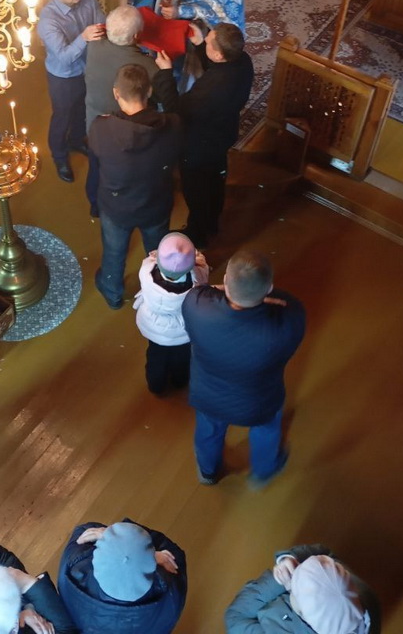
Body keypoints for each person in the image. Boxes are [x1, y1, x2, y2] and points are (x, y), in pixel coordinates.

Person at [182, 250, 306, 486]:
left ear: (225, 281)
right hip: (259, 402)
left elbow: (203, 290)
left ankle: (208, 471)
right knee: (266, 430)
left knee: (208, 432)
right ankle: (264, 470)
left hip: (207, 396)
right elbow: (290, 305)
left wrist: (230, 289)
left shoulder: (196, 306)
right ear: (269, 288)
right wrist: (263, 298)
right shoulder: (288, 325)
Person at [88, 64, 180, 308]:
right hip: (156, 203)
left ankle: (112, 292)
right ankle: (160, 290)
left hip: (116, 206)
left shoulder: (100, 128)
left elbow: (95, 168)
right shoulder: (172, 125)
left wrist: (94, 202)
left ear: (116, 93)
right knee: (157, 251)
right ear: (149, 91)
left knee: (114, 252)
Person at [153, 21, 253, 247]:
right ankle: (212, 223)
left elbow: (175, 110)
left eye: (208, 42)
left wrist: (166, 73)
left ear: (218, 54)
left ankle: (197, 234)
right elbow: (217, 66)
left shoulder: (210, 89)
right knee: (216, 182)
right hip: (223, 135)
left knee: (196, 191)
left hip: (198, 147)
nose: (205, 39)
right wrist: (200, 45)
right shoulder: (243, 61)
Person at [84, 5, 157, 214]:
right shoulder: (147, 67)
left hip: (93, 123)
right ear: (136, 36)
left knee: (95, 166)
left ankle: (95, 205)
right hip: (125, 132)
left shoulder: (94, 46)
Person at [37, 0, 105, 182]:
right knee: (62, 117)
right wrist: (84, 37)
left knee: (82, 110)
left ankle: (76, 141)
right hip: (63, 78)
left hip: (88, 68)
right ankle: (59, 156)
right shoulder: (48, 21)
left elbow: (101, 21)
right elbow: (65, 58)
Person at [58, 519, 187, 634]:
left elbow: (83, 532)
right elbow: (174, 558)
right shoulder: (168, 589)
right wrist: (145, 555)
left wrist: (110, 539)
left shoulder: (74, 567)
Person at [225, 544, 380, 634]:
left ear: (302, 613)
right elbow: (324, 552)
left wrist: (277, 581)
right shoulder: (365, 598)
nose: (293, 574)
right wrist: (290, 558)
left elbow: (235, 617)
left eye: (294, 587)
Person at [133, 232, 208, 395]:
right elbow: (203, 269)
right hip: (183, 331)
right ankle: (180, 380)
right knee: (182, 358)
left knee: (155, 357)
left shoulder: (145, 272)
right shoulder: (197, 280)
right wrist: (196, 257)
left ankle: (155, 385)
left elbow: (150, 259)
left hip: (154, 329)